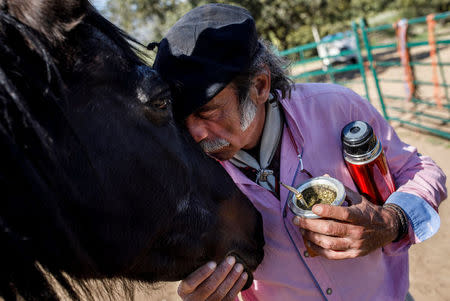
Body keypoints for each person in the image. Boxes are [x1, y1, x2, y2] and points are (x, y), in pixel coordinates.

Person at [153, 4, 447, 301]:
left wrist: (391, 221)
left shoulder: (336, 108)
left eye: (208, 111)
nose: (195, 134)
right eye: (181, 119)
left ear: (259, 85)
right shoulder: (188, 175)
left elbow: (421, 170)